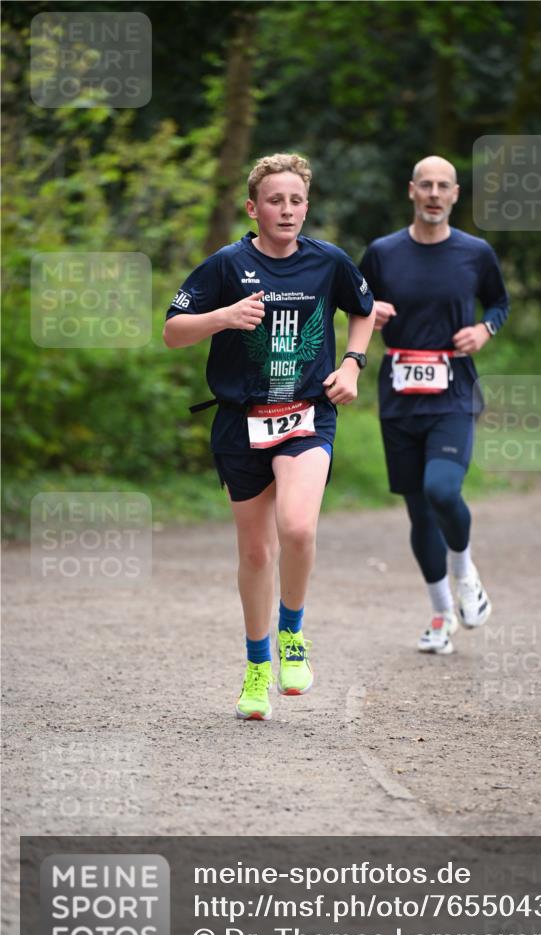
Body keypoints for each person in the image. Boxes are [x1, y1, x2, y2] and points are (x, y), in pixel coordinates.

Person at [163, 153, 375, 719]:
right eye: (275, 201)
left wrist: (352, 363)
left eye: (297, 200)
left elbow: (365, 308)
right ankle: (257, 668)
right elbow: (172, 332)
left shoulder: (327, 261)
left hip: (307, 413)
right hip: (241, 420)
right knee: (256, 551)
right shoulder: (225, 266)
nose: (287, 210)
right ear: (253, 208)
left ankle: (293, 635)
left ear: (307, 206)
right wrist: (222, 318)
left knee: (298, 527)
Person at [359, 155, 509, 655]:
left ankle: (466, 572)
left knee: (442, 489)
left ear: (455, 195)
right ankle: (441, 615)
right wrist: (369, 311)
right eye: (426, 185)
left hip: (453, 391)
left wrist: (484, 329)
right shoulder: (382, 253)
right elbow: (354, 303)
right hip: (399, 396)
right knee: (419, 515)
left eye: (443, 186)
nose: (434, 194)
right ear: (411, 191)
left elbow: (499, 304)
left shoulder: (476, 252)